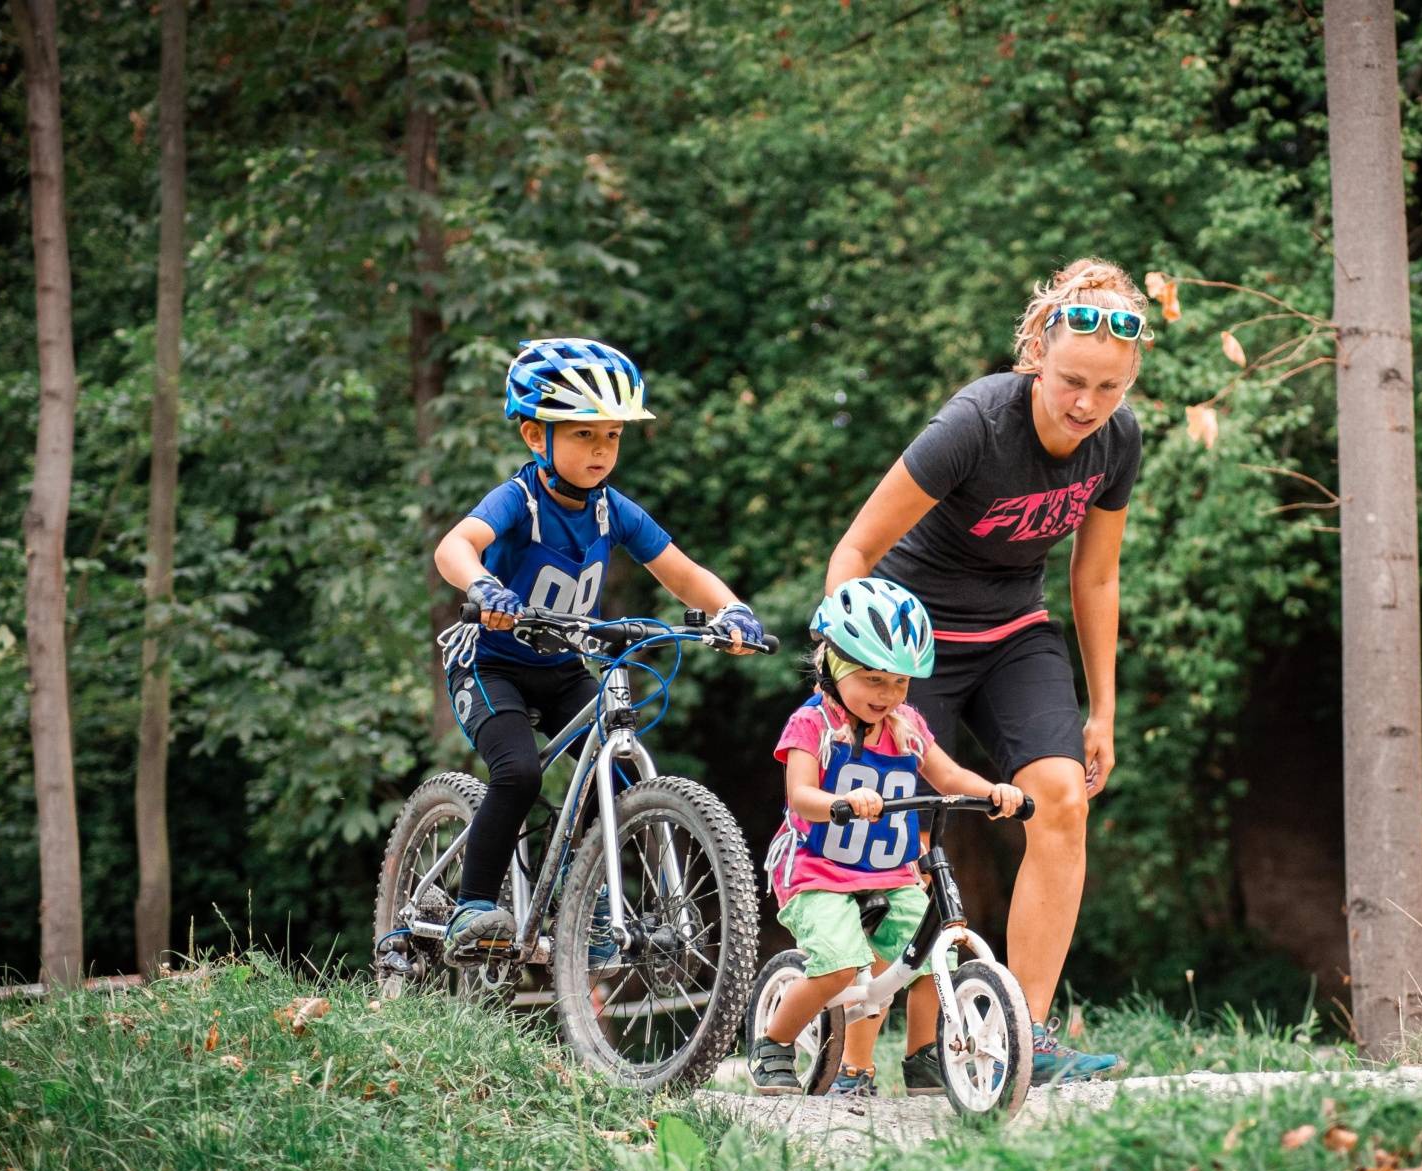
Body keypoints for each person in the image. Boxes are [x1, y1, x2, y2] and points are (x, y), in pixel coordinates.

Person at [824, 257, 1149, 1082]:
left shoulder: (1117, 441)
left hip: (1012, 632)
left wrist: (1103, 710)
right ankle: (858, 1057)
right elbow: (855, 551)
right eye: (1072, 381)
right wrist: (848, 672)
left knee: (1062, 799)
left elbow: (1096, 577)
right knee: (899, 834)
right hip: (910, 645)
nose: (1087, 405)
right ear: (1038, 353)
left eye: (1108, 389)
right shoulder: (976, 423)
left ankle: (1020, 1036)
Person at [422, 337, 767, 959]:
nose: (602, 450)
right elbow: (455, 546)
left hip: (561, 667)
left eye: (612, 436)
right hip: (491, 665)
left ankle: (591, 905)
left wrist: (732, 612)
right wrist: (484, 587)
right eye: (583, 434)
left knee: (613, 771)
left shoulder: (613, 511)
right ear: (536, 436)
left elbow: (683, 573)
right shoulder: (520, 500)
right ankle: (472, 905)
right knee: (519, 773)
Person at [750, 578, 1024, 1099]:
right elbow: (801, 796)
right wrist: (842, 802)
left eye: (900, 682)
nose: (888, 695)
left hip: (890, 872)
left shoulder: (907, 726)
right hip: (817, 871)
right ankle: (775, 1041)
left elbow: (948, 776)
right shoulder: (812, 725)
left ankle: (923, 1058)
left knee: (932, 956)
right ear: (833, 667)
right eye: (873, 679)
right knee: (839, 967)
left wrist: (993, 792)